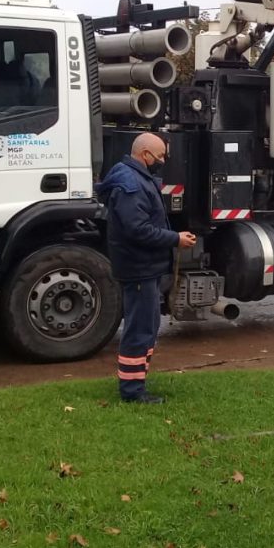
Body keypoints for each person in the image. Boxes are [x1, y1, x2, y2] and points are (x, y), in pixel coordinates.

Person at [96, 133, 196, 404]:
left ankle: (137, 381)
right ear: (145, 155)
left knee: (148, 326)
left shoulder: (134, 178)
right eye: (160, 156)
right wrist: (175, 239)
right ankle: (132, 392)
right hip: (139, 268)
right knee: (140, 329)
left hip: (143, 267)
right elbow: (137, 230)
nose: (163, 161)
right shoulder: (131, 184)